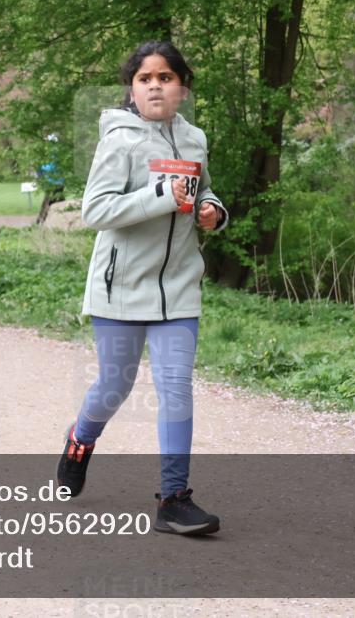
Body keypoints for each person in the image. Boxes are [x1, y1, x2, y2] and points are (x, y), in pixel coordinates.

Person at [56, 42, 229, 536]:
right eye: (145, 78)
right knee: (115, 386)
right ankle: (80, 440)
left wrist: (212, 210)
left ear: (183, 89)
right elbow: (96, 210)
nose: (155, 86)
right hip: (121, 288)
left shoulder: (194, 138)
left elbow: (204, 188)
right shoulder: (119, 141)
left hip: (179, 286)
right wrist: (161, 196)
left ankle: (173, 499)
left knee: (176, 389)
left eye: (165, 77)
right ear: (132, 90)